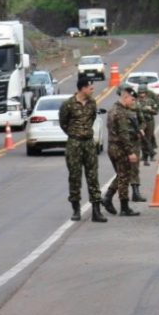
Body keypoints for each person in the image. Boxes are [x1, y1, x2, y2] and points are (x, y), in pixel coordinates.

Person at [58, 74, 107, 223]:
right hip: (74, 144)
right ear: (83, 88)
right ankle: (76, 209)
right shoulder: (68, 104)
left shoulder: (92, 103)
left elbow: (92, 118)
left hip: (88, 144)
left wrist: (85, 133)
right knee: (75, 177)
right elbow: (63, 123)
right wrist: (74, 134)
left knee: (93, 177)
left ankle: (96, 211)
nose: (92, 89)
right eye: (90, 87)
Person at [103, 85, 142, 217]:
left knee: (121, 175)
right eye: (132, 99)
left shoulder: (112, 109)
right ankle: (124, 207)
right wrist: (130, 152)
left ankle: (107, 198)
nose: (133, 102)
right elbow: (124, 134)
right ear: (125, 97)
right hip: (120, 149)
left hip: (112, 147)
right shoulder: (121, 113)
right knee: (124, 176)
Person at [136, 83, 158, 165]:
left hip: (149, 121)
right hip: (141, 122)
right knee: (142, 139)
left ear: (146, 93)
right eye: (140, 93)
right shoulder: (136, 101)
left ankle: (150, 155)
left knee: (149, 138)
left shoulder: (150, 101)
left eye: (143, 92)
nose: (142, 94)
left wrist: (149, 109)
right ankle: (145, 156)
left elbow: (156, 111)